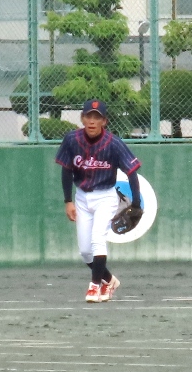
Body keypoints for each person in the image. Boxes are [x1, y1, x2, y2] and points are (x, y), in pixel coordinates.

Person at [56, 99, 141, 303]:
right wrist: (68, 200)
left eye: (97, 117)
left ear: (104, 121)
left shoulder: (114, 143)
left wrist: (137, 204)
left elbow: (132, 172)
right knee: (86, 252)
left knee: (97, 240)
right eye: (89, 116)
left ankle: (94, 287)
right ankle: (109, 280)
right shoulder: (72, 140)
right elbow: (66, 170)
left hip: (105, 196)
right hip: (82, 197)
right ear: (82, 118)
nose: (92, 121)